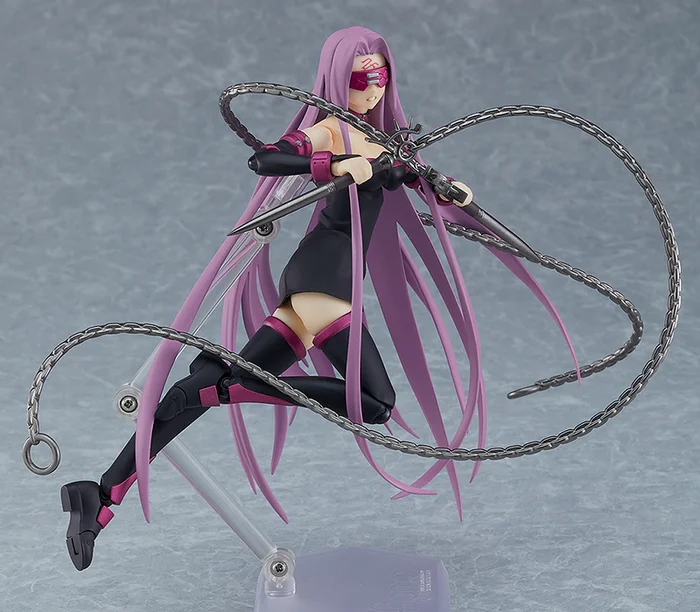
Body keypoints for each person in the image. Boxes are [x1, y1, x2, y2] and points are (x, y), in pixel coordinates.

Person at [60, 26, 578, 571]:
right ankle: (222, 388)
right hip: (323, 282)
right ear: (337, 79)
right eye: (360, 81)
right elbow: (265, 159)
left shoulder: (387, 139)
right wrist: (331, 166)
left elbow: (417, 181)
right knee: (373, 404)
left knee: (190, 398)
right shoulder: (331, 130)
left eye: (380, 80)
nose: (372, 92)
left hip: (321, 283)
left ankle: (102, 494)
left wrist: (453, 193)